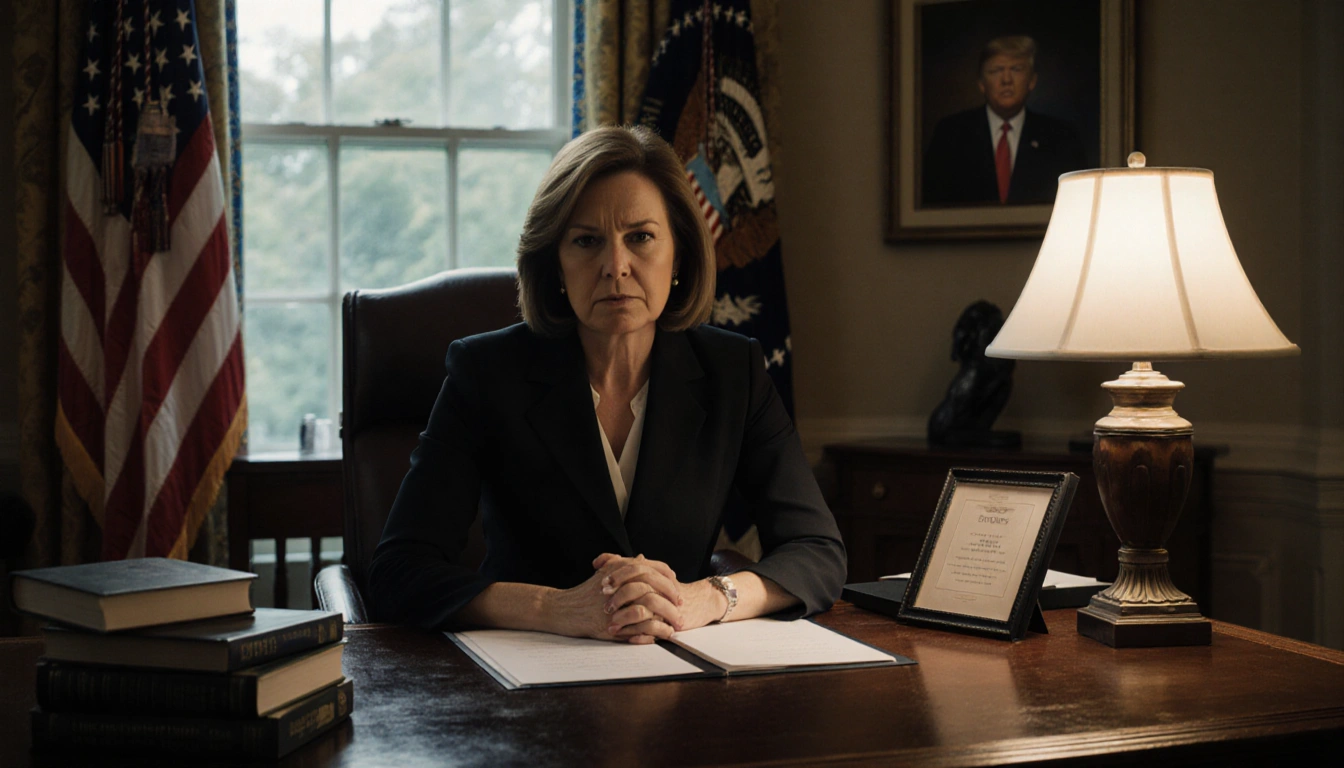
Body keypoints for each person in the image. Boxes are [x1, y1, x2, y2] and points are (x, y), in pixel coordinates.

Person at [368, 125, 846, 644]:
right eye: (586, 241)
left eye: (640, 237)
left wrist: (704, 598)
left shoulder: (734, 372)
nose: (615, 267)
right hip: (525, 679)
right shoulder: (487, 372)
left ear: (679, 256)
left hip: (676, 675)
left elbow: (817, 551)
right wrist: (556, 607)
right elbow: (400, 570)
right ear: (556, 264)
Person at [922, 35, 1087, 206]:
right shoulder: (950, 134)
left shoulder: (1061, 138)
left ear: (1032, 81)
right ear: (981, 84)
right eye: (995, 71)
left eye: (1016, 69)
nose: (1006, 80)